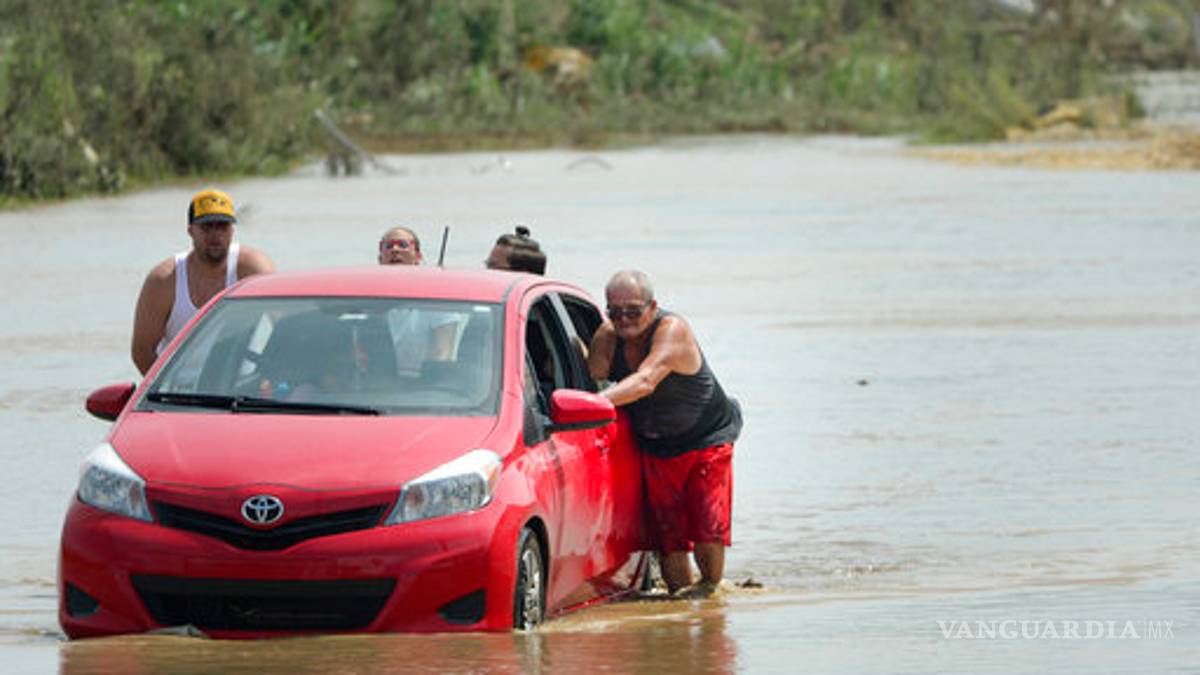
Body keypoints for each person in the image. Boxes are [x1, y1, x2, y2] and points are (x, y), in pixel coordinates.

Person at [588, 270, 742, 597]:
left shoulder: (672, 330)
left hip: (706, 437)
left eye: (632, 310)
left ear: (653, 306)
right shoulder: (606, 338)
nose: (624, 319)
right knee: (668, 538)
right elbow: (591, 378)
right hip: (656, 445)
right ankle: (680, 604)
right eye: (614, 312)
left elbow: (644, 382)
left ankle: (711, 591)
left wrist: (594, 402)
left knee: (706, 529)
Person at [131, 188, 274, 375]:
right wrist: (167, 391)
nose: (215, 235)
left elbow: (283, 326)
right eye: (207, 227)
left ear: (232, 230)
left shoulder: (254, 269)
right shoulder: (163, 280)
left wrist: (268, 376)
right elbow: (142, 352)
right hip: (180, 392)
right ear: (190, 231)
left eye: (222, 226)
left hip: (239, 390)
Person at [376, 225, 457, 370]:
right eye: (388, 246)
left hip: (421, 383)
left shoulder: (437, 298)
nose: (395, 250)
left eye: (403, 245)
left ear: (418, 256)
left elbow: (442, 353)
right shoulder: (368, 301)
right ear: (380, 258)